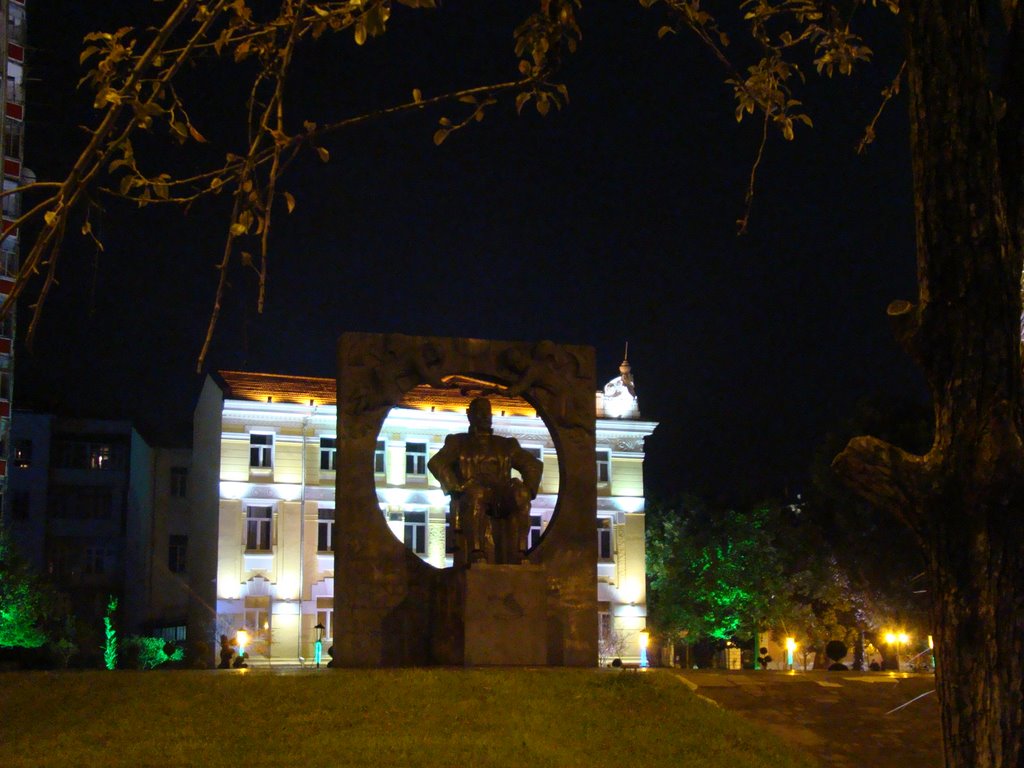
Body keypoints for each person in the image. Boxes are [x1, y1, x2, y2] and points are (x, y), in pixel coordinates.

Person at [428, 397, 543, 565]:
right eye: (480, 412)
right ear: (470, 415)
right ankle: (477, 552)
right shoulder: (458, 442)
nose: (485, 416)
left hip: (501, 495)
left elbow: (532, 465)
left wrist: (528, 490)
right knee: (477, 493)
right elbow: (437, 462)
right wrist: (456, 488)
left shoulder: (505, 444)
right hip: (472, 493)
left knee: (520, 494)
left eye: (488, 412)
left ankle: (519, 552)